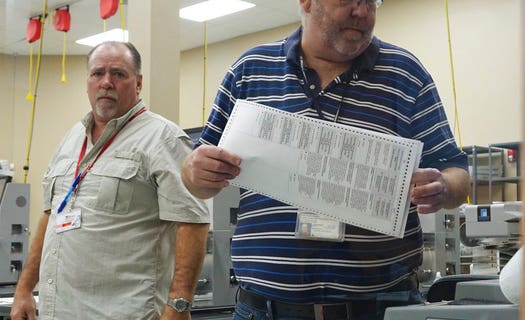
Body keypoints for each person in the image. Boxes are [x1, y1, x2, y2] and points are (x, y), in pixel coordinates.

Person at [181, 0, 470, 319]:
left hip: (379, 306)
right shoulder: (250, 69)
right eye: (350, 0)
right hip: (265, 309)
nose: (362, 12)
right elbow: (197, 174)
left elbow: (457, 171)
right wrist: (196, 173)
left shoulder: (405, 73)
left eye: (371, 2)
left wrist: (444, 186)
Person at [10, 41, 210, 320]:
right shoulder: (70, 140)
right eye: (97, 74)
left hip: (125, 311)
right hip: (59, 310)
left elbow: (193, 222)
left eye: (118, 74)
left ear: (138, 83)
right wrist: (24, 289)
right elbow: (50, 217)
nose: (106, 82)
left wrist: (178, 306)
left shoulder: (163, 139)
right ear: (87, 82)